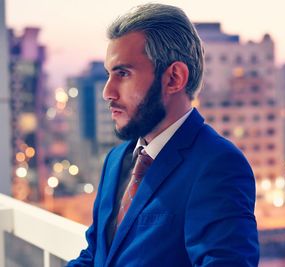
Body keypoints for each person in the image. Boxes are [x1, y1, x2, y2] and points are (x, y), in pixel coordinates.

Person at [67, 3, 259, 266]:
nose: (107, 92)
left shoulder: (218, 164)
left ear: (174, 78)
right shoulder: (115, 160)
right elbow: (96, 255)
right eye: (108, 74)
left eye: (123, 73)